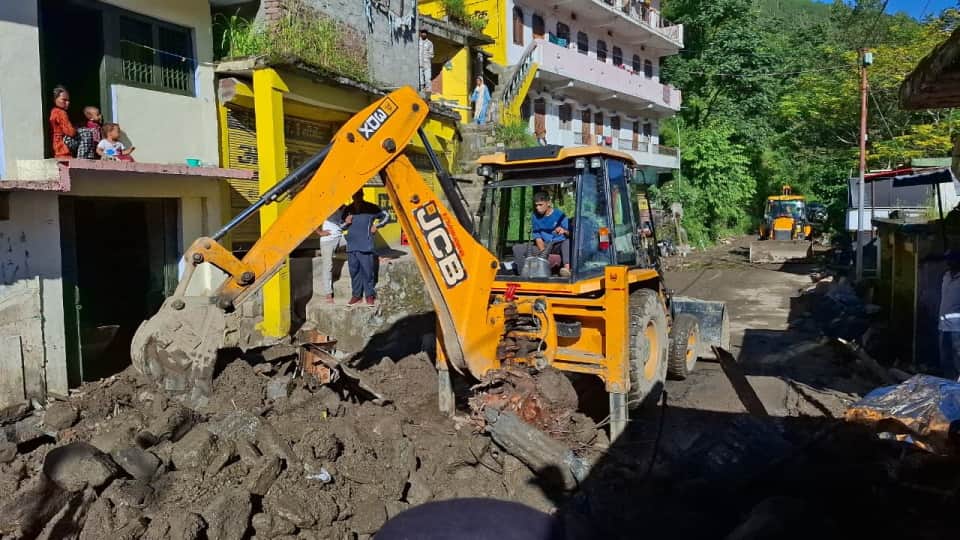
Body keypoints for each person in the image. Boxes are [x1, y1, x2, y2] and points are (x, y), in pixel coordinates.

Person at [341, 190, 392, 307]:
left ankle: (369, 295)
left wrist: (377, 225)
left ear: (362, 195)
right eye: (355, 195)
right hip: (351, 246)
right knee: (354, 272)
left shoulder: (371, 207)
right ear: (352, 196)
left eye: (359, 195)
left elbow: (387, 216)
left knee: (368, 272)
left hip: (366, 245)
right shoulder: (348, 209)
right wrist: (346, 222)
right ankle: (356, 296)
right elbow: (341, 225)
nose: (357, 197)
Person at [512, 192, 572, 278]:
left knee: (567, 242)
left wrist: (564, 231)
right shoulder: (535, 217)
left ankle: (567, 270)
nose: (537, 208)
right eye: (536, 205)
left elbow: (570, 233)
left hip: (558, 245)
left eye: (540, 205)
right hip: (543, 246)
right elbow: (537, 236)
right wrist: (543, 253)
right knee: (517, 248)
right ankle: (523, 274)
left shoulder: (559, 215)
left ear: (548, 203)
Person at [939, 251, 960, 379]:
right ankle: (948, 381)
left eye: (952, 260)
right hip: (943, 324)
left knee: (957, 355)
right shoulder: (946, 276)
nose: (949, 263)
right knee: (945, 356)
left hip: (957, 326)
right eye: (947, 260)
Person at [316, 209, 344, 304]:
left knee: (357, 239)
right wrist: (320, 232)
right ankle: (328, 293)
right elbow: (312, 220)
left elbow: (343, 224)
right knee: (328, 266)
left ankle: (374, 255)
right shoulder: (327, 206)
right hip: (328, 240)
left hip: (340, 237)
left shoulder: (344, 208)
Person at [49, 86, 77, 159]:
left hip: (56, 145)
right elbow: (70, 132)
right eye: (64, 100)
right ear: (55, 99)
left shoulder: (53, 111)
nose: (67, 103)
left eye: (68, 100)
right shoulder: (61, 113)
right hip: (63, 148)